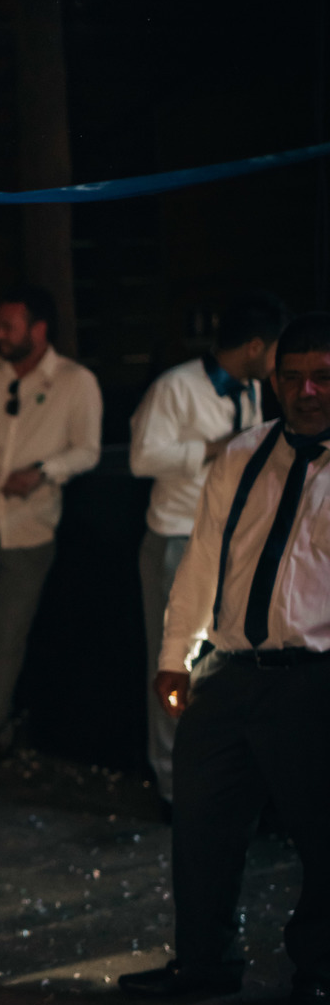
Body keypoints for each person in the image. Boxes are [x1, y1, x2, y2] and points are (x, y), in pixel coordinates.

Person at [119, 312, 330, 1005]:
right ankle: (205, 961)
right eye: (293, 377)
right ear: (274, 381)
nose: (307, 391)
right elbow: (202, 561)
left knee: (321, 839)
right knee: (202, 822)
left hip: (315, 678)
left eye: (322, 377)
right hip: (232, 669)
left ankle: (318, 978)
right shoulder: (243, 453)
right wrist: (174, 655)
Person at [129, 291, 286, 805]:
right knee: (172, 660)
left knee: (222, 666)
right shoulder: (175, 387)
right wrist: (217, 447)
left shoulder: (255, 389)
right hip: (177, 538)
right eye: (277, 351)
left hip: (233, 544)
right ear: (256, 346)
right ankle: (172, 787)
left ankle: (216, 777)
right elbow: (141, 458)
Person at [0, 287, 102, 788]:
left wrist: (42, 472)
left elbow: (88, 450)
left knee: (6, 639)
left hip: (30, 529)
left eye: (8, 326)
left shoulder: (76, 382)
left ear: (38, 330)